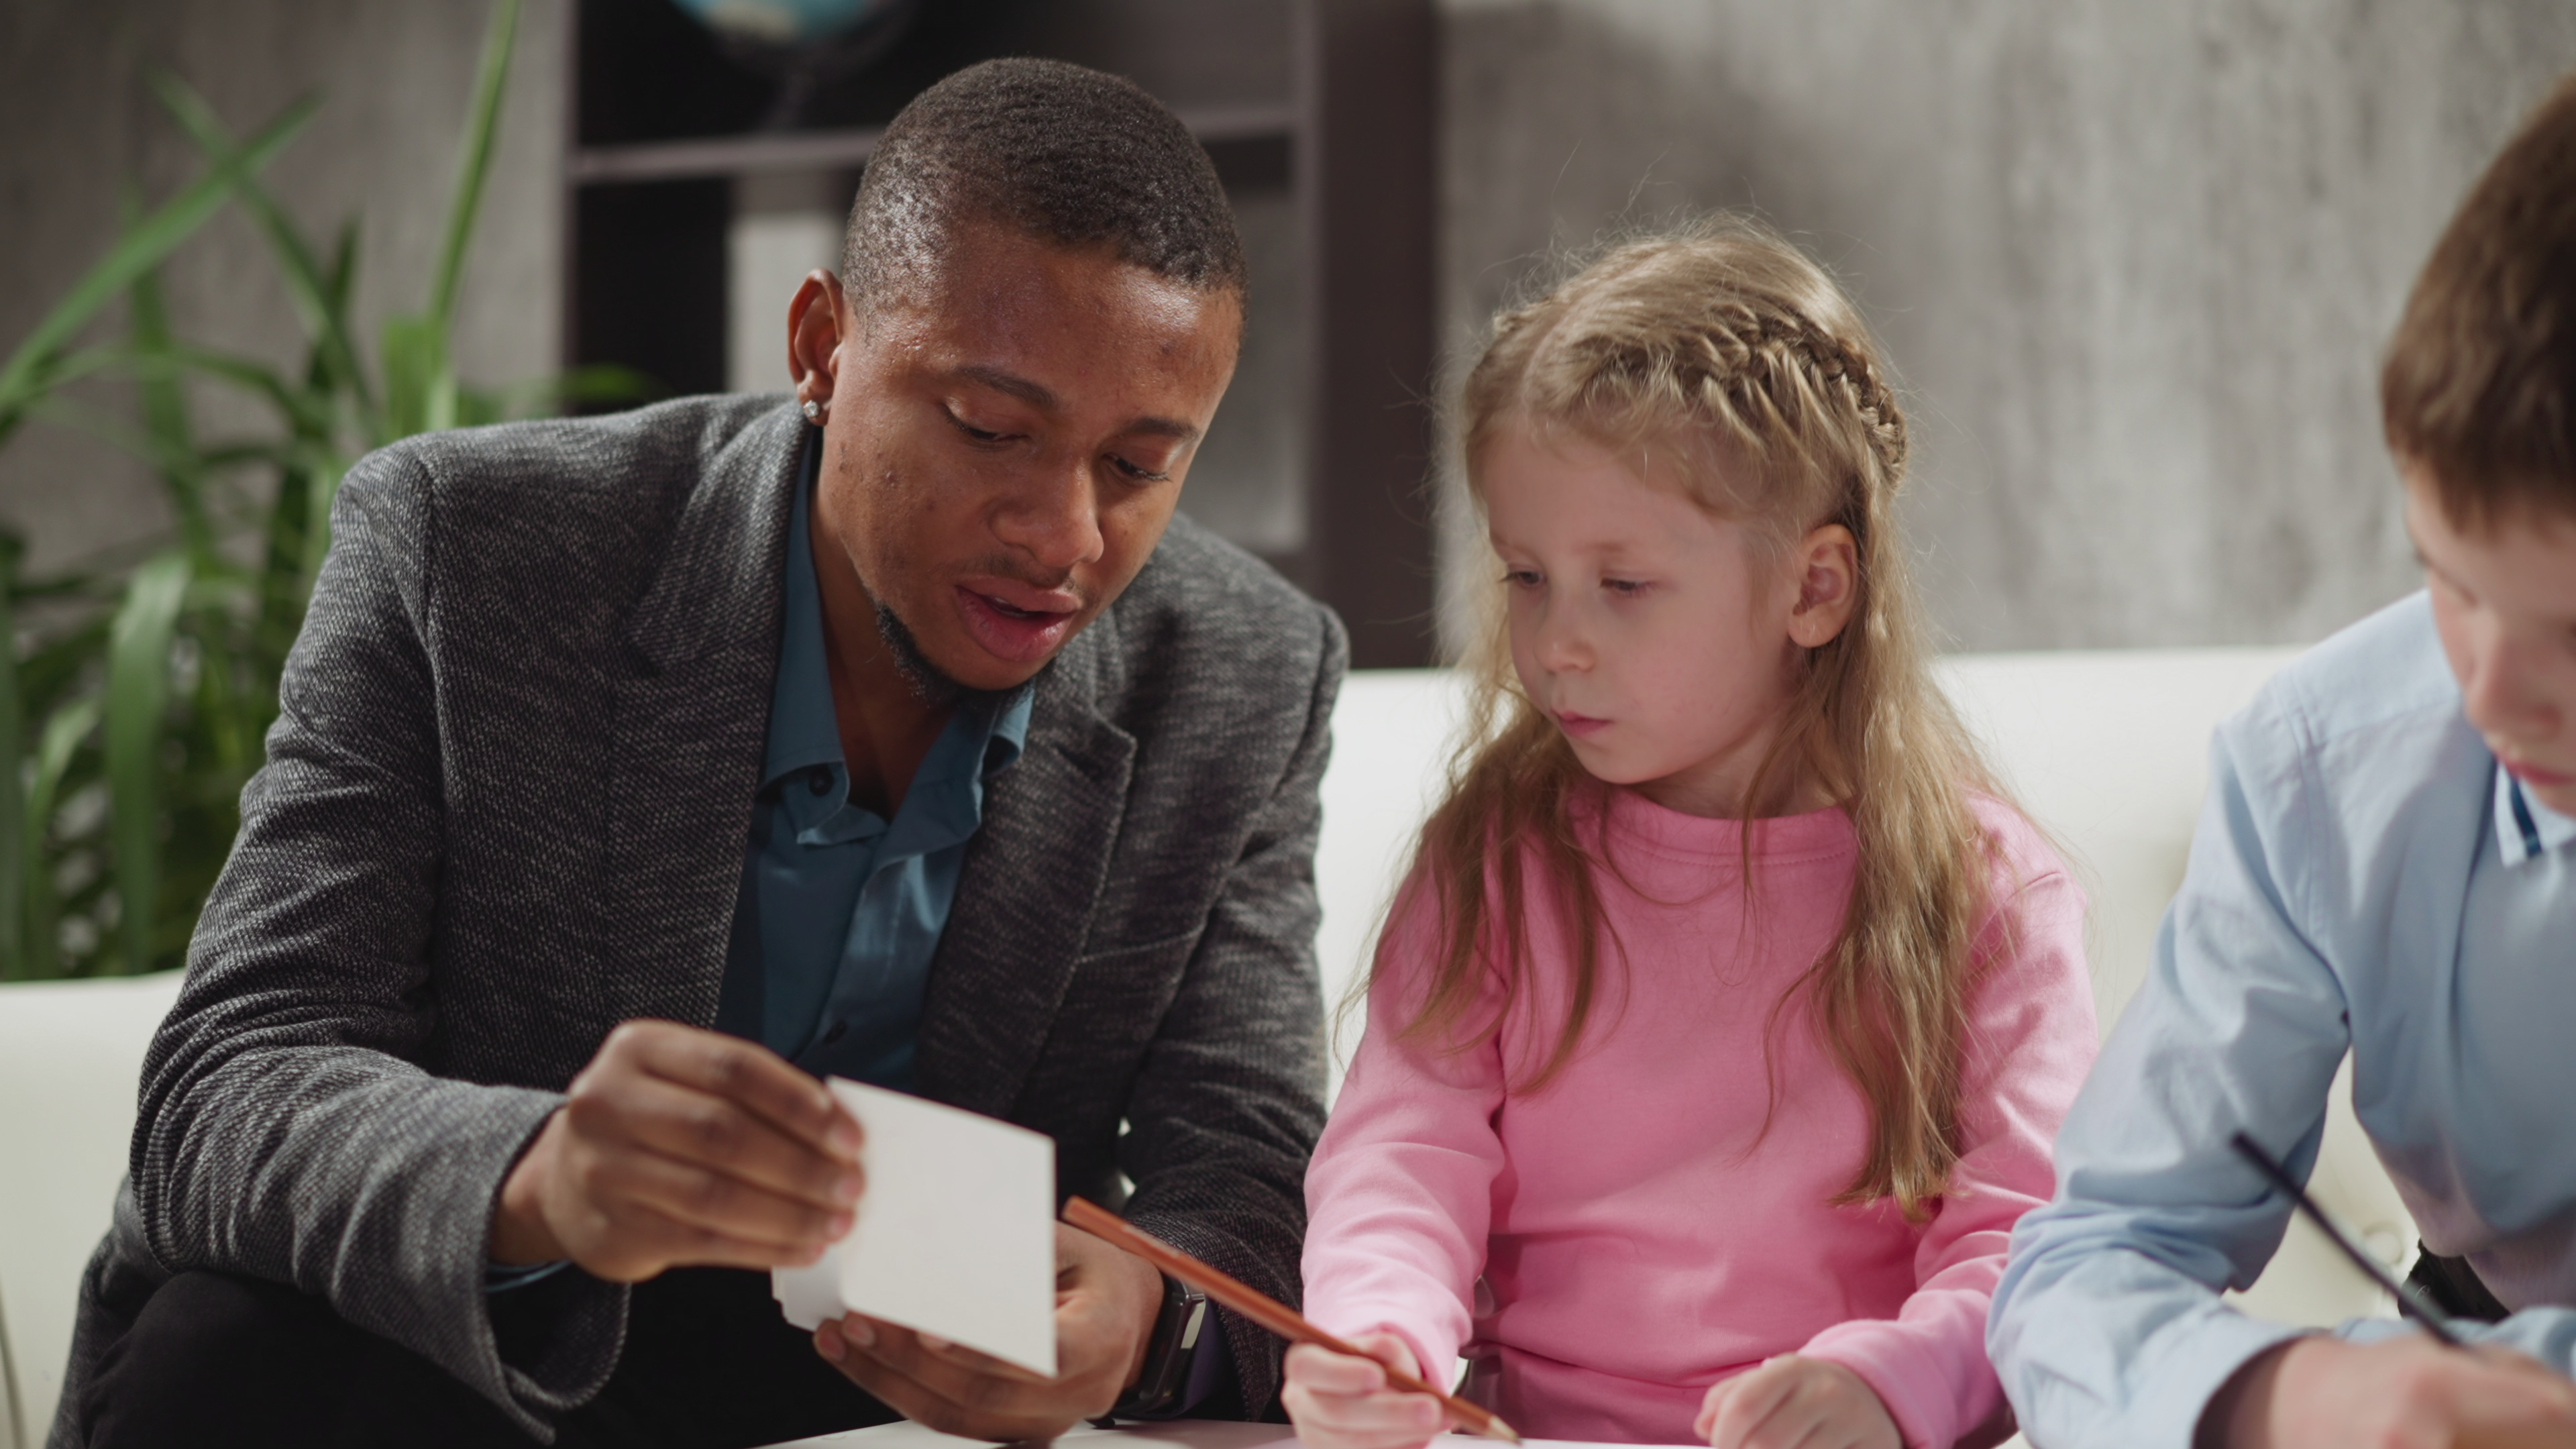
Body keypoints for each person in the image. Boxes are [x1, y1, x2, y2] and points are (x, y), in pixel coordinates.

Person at [56, 58, 1344, 1449]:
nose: (1065, 536)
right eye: (991, 429)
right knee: (239, 1353)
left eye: (1140, 466)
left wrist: (1145, 1312)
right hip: (444, 1362)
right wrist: (540, 1178)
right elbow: (229, 1086)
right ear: (820, 346)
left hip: (861, 1400)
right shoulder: (470, 548)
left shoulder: (1246, 669)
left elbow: (1248, 1159)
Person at [1280, 221, 2098, 1449]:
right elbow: (1402, 1158)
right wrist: (1378, 1332)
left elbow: (2032, 1235)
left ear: (1815, 590)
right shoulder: (1497, 860)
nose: (1555, 641)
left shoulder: (1985, 892)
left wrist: (1890, 1386)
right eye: (1525, 575)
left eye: (1622, 585)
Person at [1987, 75, 2576, 1449]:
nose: (2487, 694)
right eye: (2449, 582)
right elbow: (2085, 1267)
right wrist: (2282, 1392)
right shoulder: (2330, 768)